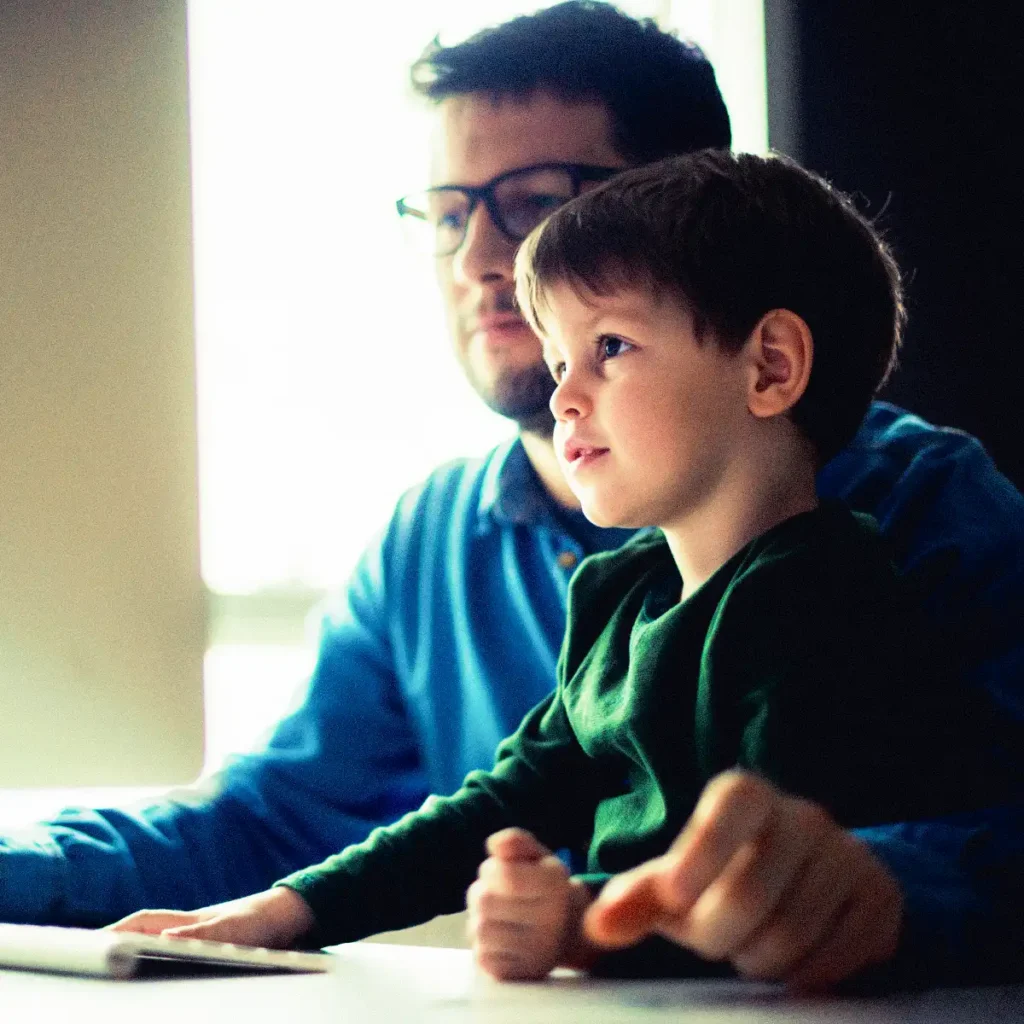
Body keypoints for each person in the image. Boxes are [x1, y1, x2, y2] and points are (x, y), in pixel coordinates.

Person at [2, 0, 1023, 987]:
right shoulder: (430, 545)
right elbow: (268, 821)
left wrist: (880, 888)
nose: (487, 260)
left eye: (539, 204)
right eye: (450, 213)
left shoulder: (921, 508)